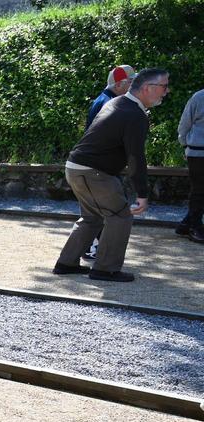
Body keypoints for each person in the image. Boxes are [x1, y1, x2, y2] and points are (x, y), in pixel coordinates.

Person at [54, 68, 171, 282]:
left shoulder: (117, 103)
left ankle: (66, 263)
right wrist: (142, 193)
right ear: (147, 88)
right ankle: (105, 269)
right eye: (164, 86)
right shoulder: (133, 114)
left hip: (77, 167)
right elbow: (135, 157)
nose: (166, 91)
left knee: (92, 217)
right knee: (120, 216)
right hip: (93, 172)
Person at [83, 64, 136, 261]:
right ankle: (94, 247)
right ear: (121, 84)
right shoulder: (106, 103)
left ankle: (93, 246)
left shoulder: (108, 100)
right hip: (99, 165)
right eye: (131, 82)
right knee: (106, 209)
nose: (133, 86)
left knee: (102, 209)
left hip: (99, 164)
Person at [177, 86, 204, 243]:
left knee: (200, 190)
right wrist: (185, 143)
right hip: (198, 152)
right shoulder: (198, 97)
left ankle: (186, 223)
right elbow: (185, 122)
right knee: (199, 190)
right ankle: (194, 226)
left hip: (196, 150)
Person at [87, 65, 136, 130]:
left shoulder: (106, 98)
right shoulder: (108, 103)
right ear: (118, 85)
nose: (134, 85)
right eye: (130, 82)